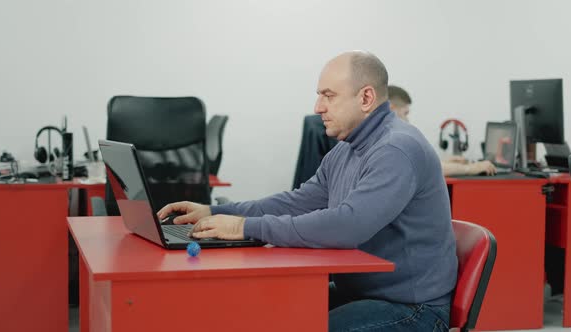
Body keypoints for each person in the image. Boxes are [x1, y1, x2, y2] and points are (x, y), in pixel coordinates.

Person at [158, 51, 457, 331]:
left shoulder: (395, 149)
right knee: (265, 313)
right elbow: (298, 202)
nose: (318, 108)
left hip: (413, 308)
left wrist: (244, 227)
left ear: (366, 98)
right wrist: (215, 212)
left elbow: (347, 225)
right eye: (319, 96)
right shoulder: (346, 149)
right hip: (362, 291)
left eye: (329, 96)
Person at [388, 85, 497, 176]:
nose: (407, 120)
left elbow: (421, 164)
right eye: (405, 113)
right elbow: (425, 168)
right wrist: (471, 168)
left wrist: (446, 163)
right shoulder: (390, 140)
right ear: (392, 110)